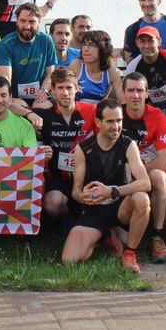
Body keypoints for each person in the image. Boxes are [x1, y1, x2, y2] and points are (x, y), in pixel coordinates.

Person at [61, 98, 151, 274]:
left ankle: (129, 252)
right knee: (69, 260)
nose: (116, 126)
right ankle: (105, 236)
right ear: (98, 122)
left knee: (142, 199)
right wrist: (83, 196)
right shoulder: (83, 148)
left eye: (119, 121)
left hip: (120, 207)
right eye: (110, 121)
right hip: (94, 209)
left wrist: (112, 191)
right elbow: (75, 192)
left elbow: (145, 182)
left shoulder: (128, 144)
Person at [117, 73, 166, 264]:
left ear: (147, 93)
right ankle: (112, 229)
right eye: (130, 90)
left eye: (140, 91)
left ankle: (157, 236)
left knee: (159, 176)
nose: (135, 95)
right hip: (119, 173)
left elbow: (165, 162)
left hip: (143, 171)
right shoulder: (115, 115)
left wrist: (138, 172)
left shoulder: (157, 116)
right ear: (123, 93)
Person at [33, 69, 96, 223]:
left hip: (87, 176)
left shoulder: (92, 111)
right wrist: (30, 114)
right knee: (52, 205)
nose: (65, 93)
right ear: (53, 90)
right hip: (58, 178)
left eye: (69, 87)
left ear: (77, 89)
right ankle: (68, 220)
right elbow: (11, 107)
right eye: (60, 88)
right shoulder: (45, 115)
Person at [0, 3, 56, 108]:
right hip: (15, 96)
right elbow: (5, 78)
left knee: (41, 108)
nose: (27, 26)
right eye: (23, 21)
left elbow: (51, 73)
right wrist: (10, 99)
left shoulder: (46, 40)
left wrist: (44, 90)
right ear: (17, 22)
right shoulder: (5, 44)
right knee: (21, 108)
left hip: (41, 93)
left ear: (39, 22)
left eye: (32, 22)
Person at [124, 26, 166, 123]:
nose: (146, 46)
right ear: (137, 43)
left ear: (159, 41)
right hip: (150, 112)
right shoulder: (133, 66)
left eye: (150, 41)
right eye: (142, 41)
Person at [68, 29, 123, 104]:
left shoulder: (111, 72)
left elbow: (122, 100)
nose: (86, 49)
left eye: (91, 45)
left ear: (103, 48)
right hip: (76, 110)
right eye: (84, 44)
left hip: (99, 110)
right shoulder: (76, 65)